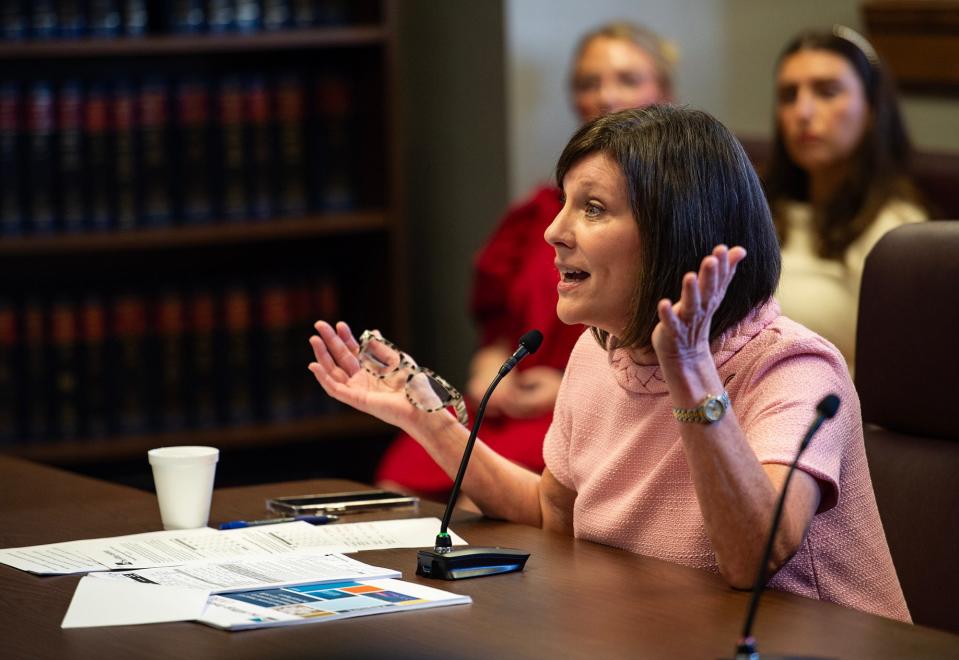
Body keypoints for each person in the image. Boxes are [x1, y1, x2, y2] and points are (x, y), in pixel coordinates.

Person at [309, 105, 909, 621]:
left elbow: (753, 558)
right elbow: (554, 513)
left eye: (592, 208)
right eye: (565, 203)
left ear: (676, 231)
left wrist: (692, 371)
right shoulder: (603, 355)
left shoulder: (792, 368)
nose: (553, 231)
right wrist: (426, 417)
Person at [375, 21, 678, 501]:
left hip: (604, 404)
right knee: (400, 475)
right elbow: (497, 321)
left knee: (482, 502)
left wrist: (571, 386)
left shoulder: (677, 220)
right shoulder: (535, 215)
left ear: (663, 93)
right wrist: (491, 371)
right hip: (511, 402)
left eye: (627, 79)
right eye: (588, 82)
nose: (605, 96)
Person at [765, 25, 928, 371]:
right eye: (789, 95)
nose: (803, 112)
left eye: (827, 92)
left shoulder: (896, 231)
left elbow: (898, 374)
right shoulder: (756, 208)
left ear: (870, 110)